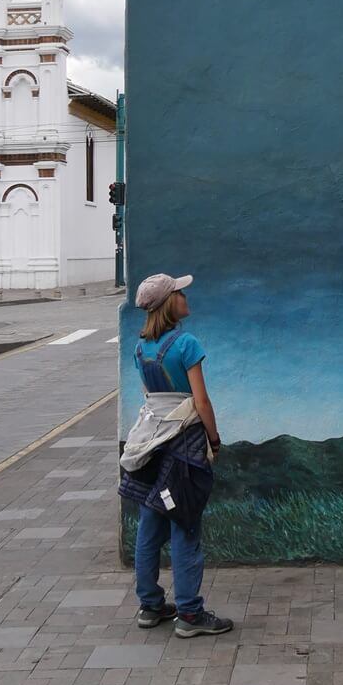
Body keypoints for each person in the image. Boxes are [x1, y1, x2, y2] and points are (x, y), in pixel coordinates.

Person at [119, 272, 233, 639]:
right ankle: (190, 613)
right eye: (180, 292)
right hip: (184, 445)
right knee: (184, 523)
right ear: (171, 302)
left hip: (153, 443)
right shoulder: (186, 343)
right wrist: (214, 440)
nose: (186, 295)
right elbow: (200, 401)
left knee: (151, 523)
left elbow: (151, 398)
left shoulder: (141, 349)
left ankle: (150, 605)